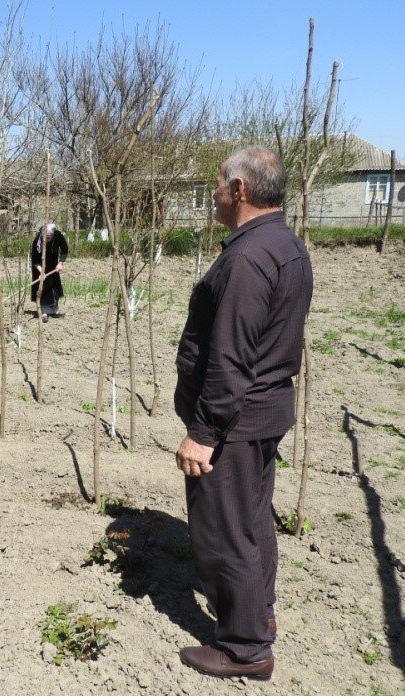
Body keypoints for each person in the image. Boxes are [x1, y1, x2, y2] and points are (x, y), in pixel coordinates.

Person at [173, 146, 312, 680]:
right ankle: (260, 615)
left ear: (239, 190)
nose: (212, 194)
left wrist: (204, 432)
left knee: (224, 532)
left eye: (216, 185)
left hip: (234, 422)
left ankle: (244, 647)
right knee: (252, 521)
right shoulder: (285, 246)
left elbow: (231, 355)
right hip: (263, 413)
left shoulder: (249, 258)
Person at [30, 222, 68, 322]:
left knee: (54, 287)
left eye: (48, 238)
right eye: (44, 238)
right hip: (39, 267)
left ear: (52, 235)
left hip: (53, 265)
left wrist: (60, 263)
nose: (45, 240)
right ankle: (43, 312)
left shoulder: (57, 236)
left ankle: (53, 311)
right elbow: (34, 260)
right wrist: (41, 272)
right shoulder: (36, 242)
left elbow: (64, 250)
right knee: (43, 288)